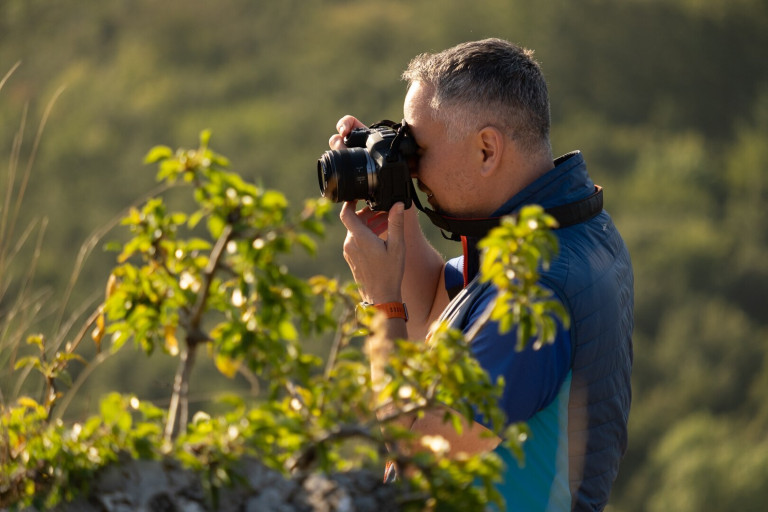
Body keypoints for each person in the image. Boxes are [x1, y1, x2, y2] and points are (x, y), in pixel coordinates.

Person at [329, 38, 633, 511]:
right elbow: (438, 306)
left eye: (418, 149)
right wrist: (391, 198)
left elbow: (418, 453)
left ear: (487, 150)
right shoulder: (552, 233)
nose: (414, 167)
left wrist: (380, 301)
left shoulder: (536, 291)